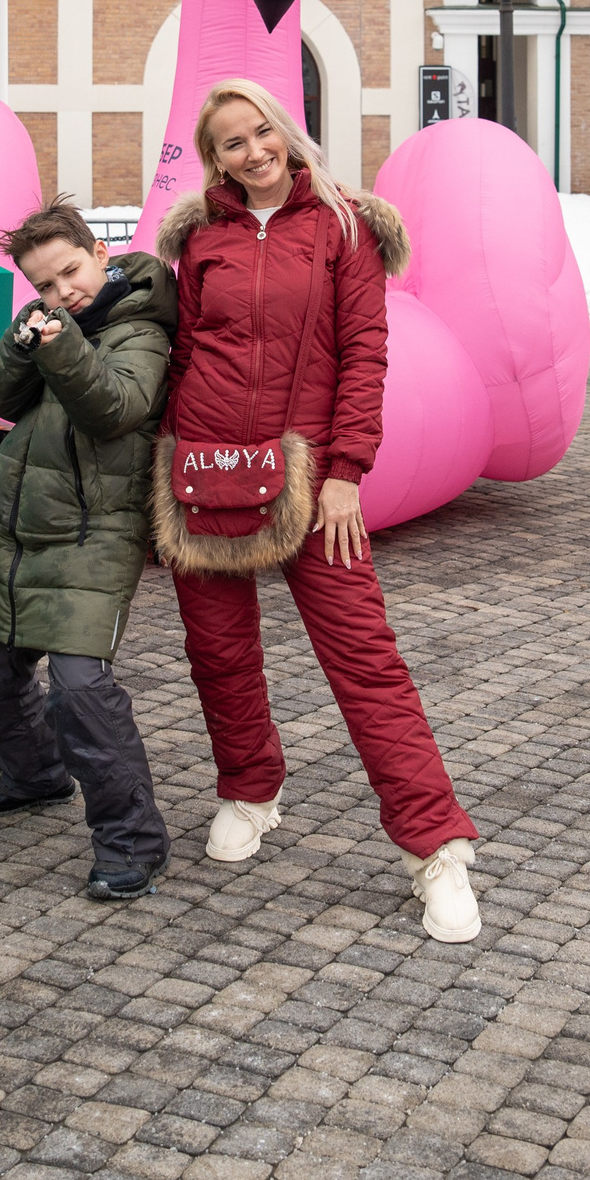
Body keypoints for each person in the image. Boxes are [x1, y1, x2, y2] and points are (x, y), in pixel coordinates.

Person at [152, 79, 483, 943]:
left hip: (311, 481)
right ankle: (249, 789)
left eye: (261, 132)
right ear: (214, 158)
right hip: (207, 469)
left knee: (366, 662)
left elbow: (366, 355)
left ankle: (435, 850)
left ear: (285, 131)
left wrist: (346, 473)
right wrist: (165, 455)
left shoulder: (343, 227)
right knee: (218, 655)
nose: (252, 152)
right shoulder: (203, 240)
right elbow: (185, 354)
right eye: (230, 143)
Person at [0, 197, 175, 901]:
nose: (62, 293)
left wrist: (60, 342)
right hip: (18, 530)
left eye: (71, 273)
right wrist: (25, 342)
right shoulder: (46, 323)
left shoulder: (140, 328)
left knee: (81, 692)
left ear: (101, 254)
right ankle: (33, 774)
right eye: (44, 286)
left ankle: (133, 840)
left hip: (92, 535)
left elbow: (113, 409)